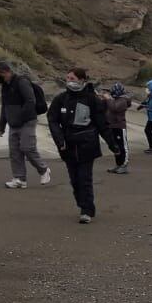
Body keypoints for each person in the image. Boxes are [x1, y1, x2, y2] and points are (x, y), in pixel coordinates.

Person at [47, 68, 118, 224]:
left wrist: (112, 144)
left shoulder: (92, 99)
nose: (69, 80)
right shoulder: (61, 99)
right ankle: (83, 203)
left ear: (82, 80)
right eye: (67, 78)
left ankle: (86, 210)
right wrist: (59, 139)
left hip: (87, 143)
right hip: (67, 145)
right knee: (74, 180)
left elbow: (102, 124)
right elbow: (52, 119)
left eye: (72, 78)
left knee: (84, 178)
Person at [0, 60, 51, 189]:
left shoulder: (21, 82)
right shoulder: (5, 86)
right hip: (13, 123)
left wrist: (21, 117)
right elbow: (5, 107)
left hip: (27, 121)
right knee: (14, 152)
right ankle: (19, 179)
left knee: (27, 148)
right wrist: (1, 126)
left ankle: (43, 169)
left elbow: (30, 101)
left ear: (6, 72)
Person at [103, 83, 131, 174]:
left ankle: (124, 165)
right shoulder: (115, 99)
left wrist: (108, 99)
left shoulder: (123, 100)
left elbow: (114, 108)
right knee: (116, 147)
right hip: (112, 126)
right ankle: (118, 164)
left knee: (123, 146)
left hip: (119, 126)